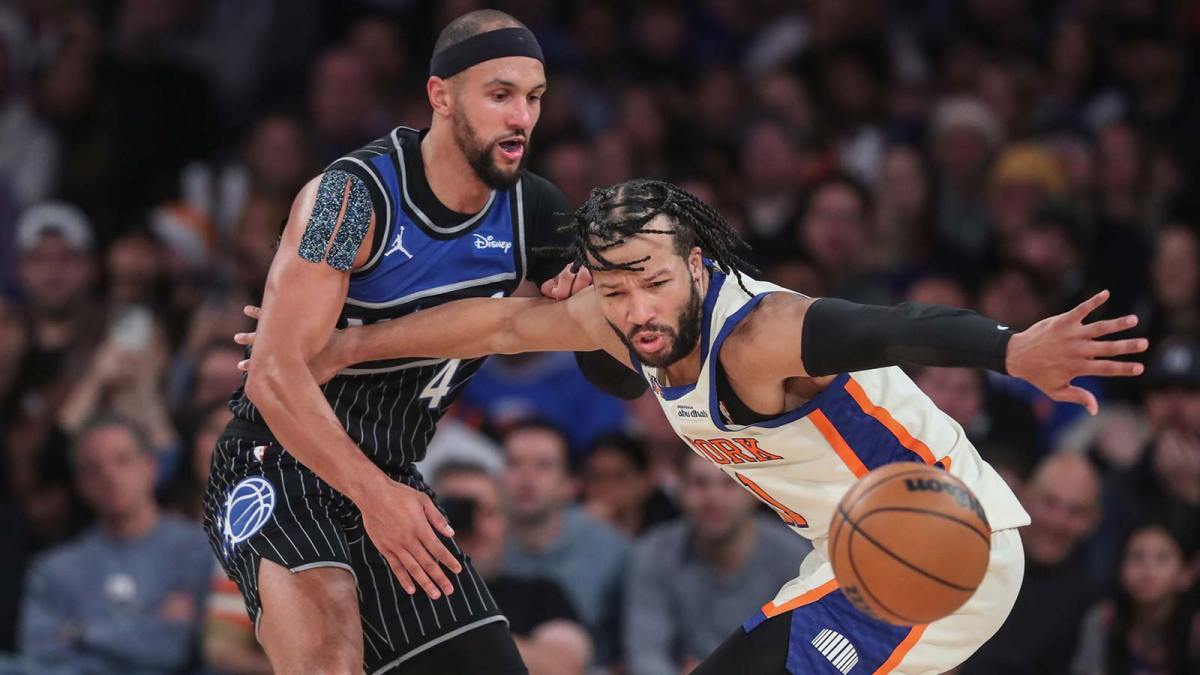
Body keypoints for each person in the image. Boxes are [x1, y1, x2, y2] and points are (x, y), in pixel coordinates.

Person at [238, 178, 1148, 672]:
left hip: (946, 546)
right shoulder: (622, 313)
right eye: (616, 284)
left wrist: (1010, 348)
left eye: (654, 280)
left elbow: (887, 325)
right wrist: (350, 342)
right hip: (848, 551)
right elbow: (503, 322)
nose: (635, 304)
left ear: (700, 266)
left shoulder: (760, 334)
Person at [205, 10, 625, 675]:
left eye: (534, 98)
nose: (522, 117)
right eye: (500, 94)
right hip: (277, 463)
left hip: (391, 473)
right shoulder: (349, 198)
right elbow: (272, 374)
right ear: (442, 96)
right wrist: (375, 495)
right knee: (329, 661)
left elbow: (610, 367)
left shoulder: (536, 211)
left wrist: (590, 303)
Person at [18, 414, 212, 674]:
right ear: (81, 485)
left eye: (122, 460)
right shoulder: (53, 569)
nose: (109, 475)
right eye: (92, 468)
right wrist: (149, 626)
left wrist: (79, 632)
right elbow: (39, 653)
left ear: (150, 467)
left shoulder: (197, 550)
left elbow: (174, 649)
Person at [625, 452, 811, 675]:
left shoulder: (792, 556)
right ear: (680, 490)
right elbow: (646, 656)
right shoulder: (653, 552)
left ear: (754, 492)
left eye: (729, 483)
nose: (714, 498)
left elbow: (803, 655)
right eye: (700, 483)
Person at [434, 461, 592, 675]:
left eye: (489, 512)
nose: (476, 525)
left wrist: (454, 629)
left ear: (506, 522)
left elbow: (563, 668)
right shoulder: (396, 596)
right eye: (457, 510)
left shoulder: (540, 593)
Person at [961, 452, 1104, 674]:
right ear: (1024, 497)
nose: (1057, 521)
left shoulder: (1096, 607)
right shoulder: (970, 561)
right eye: (1049, 503)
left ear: (1094, 520)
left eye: (1076, 512)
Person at [499, 421, 628, 663]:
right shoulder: (480, 543)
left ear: (571, 483)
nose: (526, 477)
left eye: (543, 465)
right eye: (514, 463)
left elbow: (628, 646)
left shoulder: (612, 549)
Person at [1071, 523, 1199, 675]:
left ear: (1186, 575)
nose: (1147, 570)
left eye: (1162, 558)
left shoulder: (1196, 630)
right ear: (1120, 569)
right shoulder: (1103, 620)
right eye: (1136, 557)